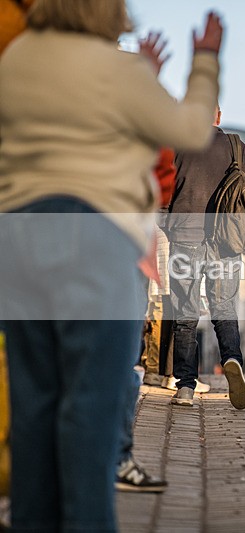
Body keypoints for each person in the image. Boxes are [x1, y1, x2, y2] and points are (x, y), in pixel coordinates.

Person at [0, 2, 222, 529]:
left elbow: (76, 113)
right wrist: (206, 61)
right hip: (95, 237)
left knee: (33, 410)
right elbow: (190, 129)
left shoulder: (15, 60)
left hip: (19, 236)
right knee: (91, 408)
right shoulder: (114, 68)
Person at [166, 104, 245, 410]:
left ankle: (186, 387)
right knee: (224, 308)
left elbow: (164, 193)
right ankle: (231, 358)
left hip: (185, 236)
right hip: (226, 240)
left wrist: (167, 226)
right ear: (219, 116)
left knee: (185, 316)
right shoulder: (235, 145)